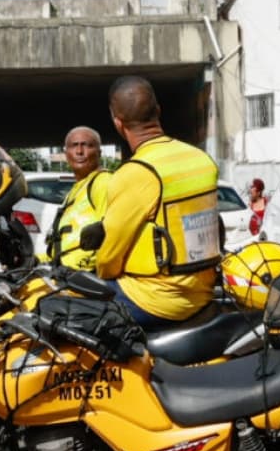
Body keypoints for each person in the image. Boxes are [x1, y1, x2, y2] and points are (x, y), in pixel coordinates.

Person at [93, 75, 220, 328]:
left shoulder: (135, 173)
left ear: (118, 123)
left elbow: (108, 260)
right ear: (158, 110)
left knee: (67, 305)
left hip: (156, 302)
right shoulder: (202, 160)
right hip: (204, 291)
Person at [45, 126, 110, 270]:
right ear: (66, 153)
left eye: (87, 145)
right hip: (64, 273)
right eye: (74, 146)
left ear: (99, 152)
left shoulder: (102, 182)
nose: (80, 151)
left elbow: (112, 233)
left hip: (86, 277)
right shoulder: (77, 188)